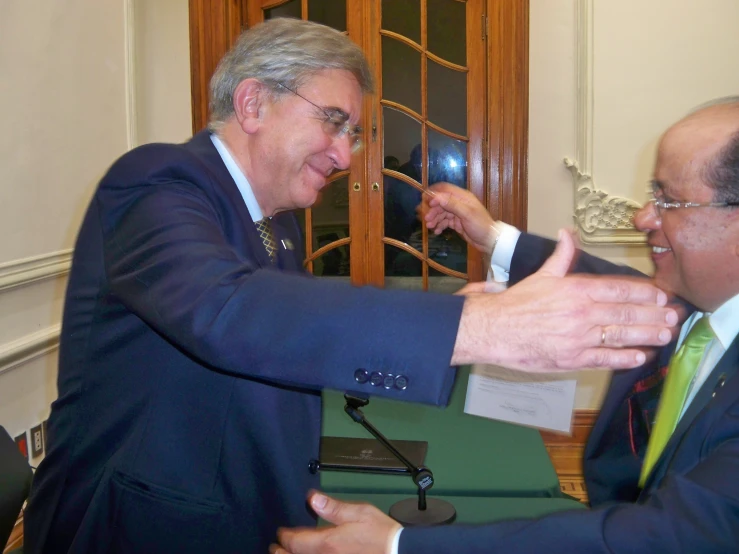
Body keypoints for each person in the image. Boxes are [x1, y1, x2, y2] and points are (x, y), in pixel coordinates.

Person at [24, 18, 677, 554]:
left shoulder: (282, 222)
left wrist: (450, 315)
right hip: (140, 528)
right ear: (252, 103)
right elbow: (227, 309)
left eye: (353, 133)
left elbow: (292, 336)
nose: (345, 156)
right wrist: (478, 330)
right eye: (332, 122)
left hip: (249, 504)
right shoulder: (157, 182)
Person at [271, 98, 739, 553]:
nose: (642, 217)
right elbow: (611, 289)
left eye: (670, 202)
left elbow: (659, 536)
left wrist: (398, 544)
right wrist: (492, 237)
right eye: (652, 195)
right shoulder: (697, 305)